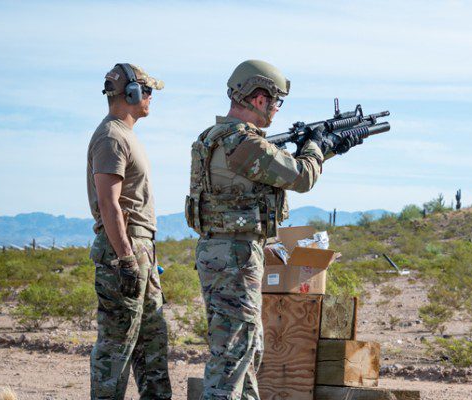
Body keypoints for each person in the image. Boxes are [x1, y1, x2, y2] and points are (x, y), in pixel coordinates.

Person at [185, 59, 359, 399]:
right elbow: (301, 176)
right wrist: (315, 146)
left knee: (246, 349)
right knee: (234, 355)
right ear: (259, 98)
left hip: (223, 252)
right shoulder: (244, 143)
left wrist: (326, 149)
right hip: (235, 256)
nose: (277, 110)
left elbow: (278, 171)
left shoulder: (215, 138)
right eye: (276, 102)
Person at [86, 63, 172, 400]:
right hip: (124, 253)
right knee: (116, 348)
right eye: (148, 92)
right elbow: (109, 205)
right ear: (132, 93)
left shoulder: (125, 135)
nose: (151, 98)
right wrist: (126, 260)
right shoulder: (111, 137)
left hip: (140, 251)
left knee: (152, 342)